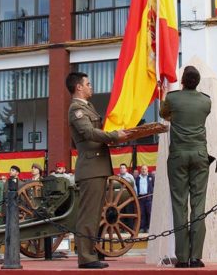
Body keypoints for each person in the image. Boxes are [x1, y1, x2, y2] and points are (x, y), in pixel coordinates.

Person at [66, 71, 125, 269]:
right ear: (79, 87)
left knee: (94, 214)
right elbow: (89, 132)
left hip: (97, 166)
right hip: (90, 167)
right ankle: (85, 256)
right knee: (88, 215)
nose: (91, 86)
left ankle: (91, 252)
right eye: (88, 84)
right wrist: (113, 136)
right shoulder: (76, 109)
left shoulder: (88, 107)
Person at [161, 65, 211, 269]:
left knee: (179, 205)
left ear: (182, 80)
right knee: (198, 205)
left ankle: (182, 257)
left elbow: (164, 114)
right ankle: (196, 257)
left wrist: (165, 95)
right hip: (200, 154)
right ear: (198, 82)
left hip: (178, 155)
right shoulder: (206, 100)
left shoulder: (172, 98)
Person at [135, 165, 154, 233]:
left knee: (149, 213)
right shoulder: (137, 178)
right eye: (142, 169)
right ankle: (142, 228)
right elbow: (135, 187)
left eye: (145, 169)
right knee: (142, 213)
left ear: (147, 170)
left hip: (148, 197)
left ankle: (149, 227)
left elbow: (154, 186)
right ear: (140, 170)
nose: (143, 170)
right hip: (140, 197)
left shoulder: (151, 177)